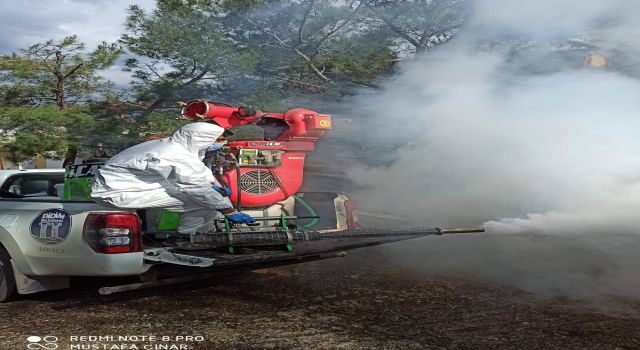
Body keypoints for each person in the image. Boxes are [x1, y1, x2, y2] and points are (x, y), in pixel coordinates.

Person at [91, 122, 255, 234]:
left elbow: (197, 174)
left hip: (130, 186)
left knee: (205, 197)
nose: (222, 143)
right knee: (203, 203)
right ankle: (190, 238)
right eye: (219, 140)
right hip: (119, 191)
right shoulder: (173, 154)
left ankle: (194, 235)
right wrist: (229, 211)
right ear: (200, 138)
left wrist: (212, 185)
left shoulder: (172, 146)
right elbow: (196, 187)